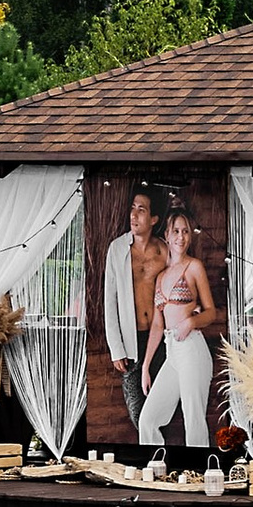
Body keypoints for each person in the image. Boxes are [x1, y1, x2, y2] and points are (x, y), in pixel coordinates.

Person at [138, 201, 219, 451]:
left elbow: (211, 312)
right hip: (171, 352)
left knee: (193, 418)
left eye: (185, 231)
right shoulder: (161, 276)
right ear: (166, 235)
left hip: (192, 347)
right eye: (176, 231)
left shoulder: (194, 267)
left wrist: (191, 321)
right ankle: (157, 473)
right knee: (148, 420)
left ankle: (200, 476)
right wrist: (146, 366)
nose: (181, 237)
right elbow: (156, 326)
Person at [102, 184, 162, 440]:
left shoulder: (164, 250)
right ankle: (151, 460)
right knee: (137, 411)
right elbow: (110, 300)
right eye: (133, 208)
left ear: (154, 219)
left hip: (160, 340)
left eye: (142, 210)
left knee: (162, 406)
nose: (134, 215)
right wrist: (116, 348)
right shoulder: (117, 249)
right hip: (130, 341)